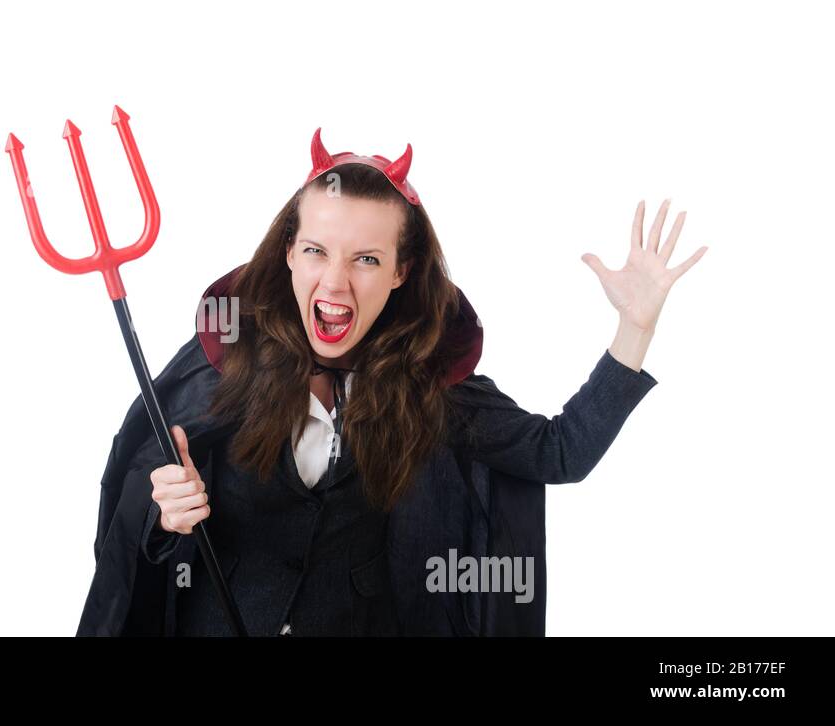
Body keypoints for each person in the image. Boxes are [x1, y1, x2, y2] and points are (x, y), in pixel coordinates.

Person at [78, 129, 706, 636]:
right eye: (318, 251)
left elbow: (557, 452)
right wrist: (166, 516)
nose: (335, 283)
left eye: (367, 260)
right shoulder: (224, 363)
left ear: (402, 271)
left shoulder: (428, 386)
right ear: (290, 252)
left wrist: (634, 330)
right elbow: (140, 534)